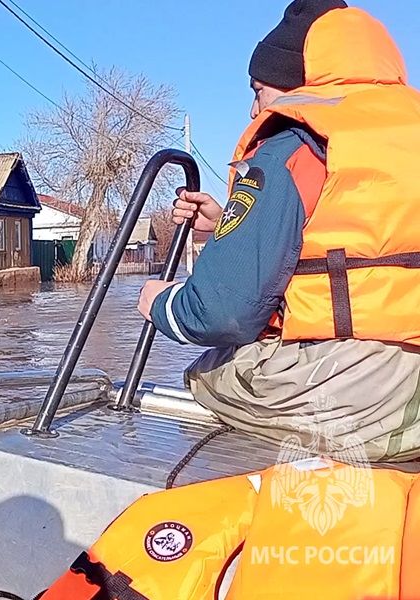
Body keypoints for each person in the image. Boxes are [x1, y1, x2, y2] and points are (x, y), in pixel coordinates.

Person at [137, 0, 420, 461]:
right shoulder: (403, 127)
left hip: (368, 387)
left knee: (210, 372)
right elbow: (368, 241)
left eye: (258, 90)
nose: (254, 108)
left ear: (296, 83)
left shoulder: (295, 142)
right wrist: (226, 223)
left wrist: (161, 303)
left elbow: (223, 313)